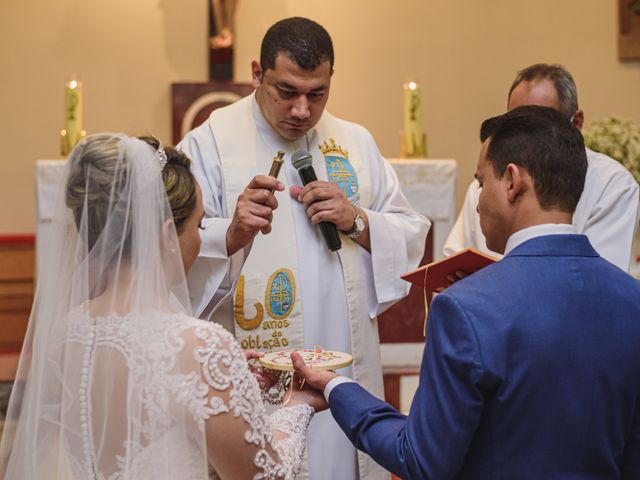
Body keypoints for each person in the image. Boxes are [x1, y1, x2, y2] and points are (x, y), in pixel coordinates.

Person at [292, 106, 640, 479]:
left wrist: (338, 388)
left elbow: (422, 460)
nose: (476, 200)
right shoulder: (631, 301)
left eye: (479, 182)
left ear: (512, 181)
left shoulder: (468, 307)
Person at [178, 17, 429, 480]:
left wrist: (357, 218)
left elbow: (410, 230)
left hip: (342, 353)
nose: (301, 110)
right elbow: (171, 248)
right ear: (257, 73)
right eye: (286, 91)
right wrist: (230, 235)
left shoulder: (354, 141)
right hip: (257, 363)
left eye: (317, 94)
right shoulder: (211, 142)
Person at [0, 133, 325, 479]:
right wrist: (295, 407)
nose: (202, 238)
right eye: (200, 224)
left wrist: (232, 384)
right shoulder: (199, 348)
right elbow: (266, 477)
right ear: (168, 234)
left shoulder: (67, 332)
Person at [444, 63, 640, 271]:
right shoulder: (486, 183)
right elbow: (454, 265)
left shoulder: (612, 184)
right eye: (516, 124)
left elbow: (598, 278)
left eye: (541, 124)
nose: (527, 137)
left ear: (576, 123)